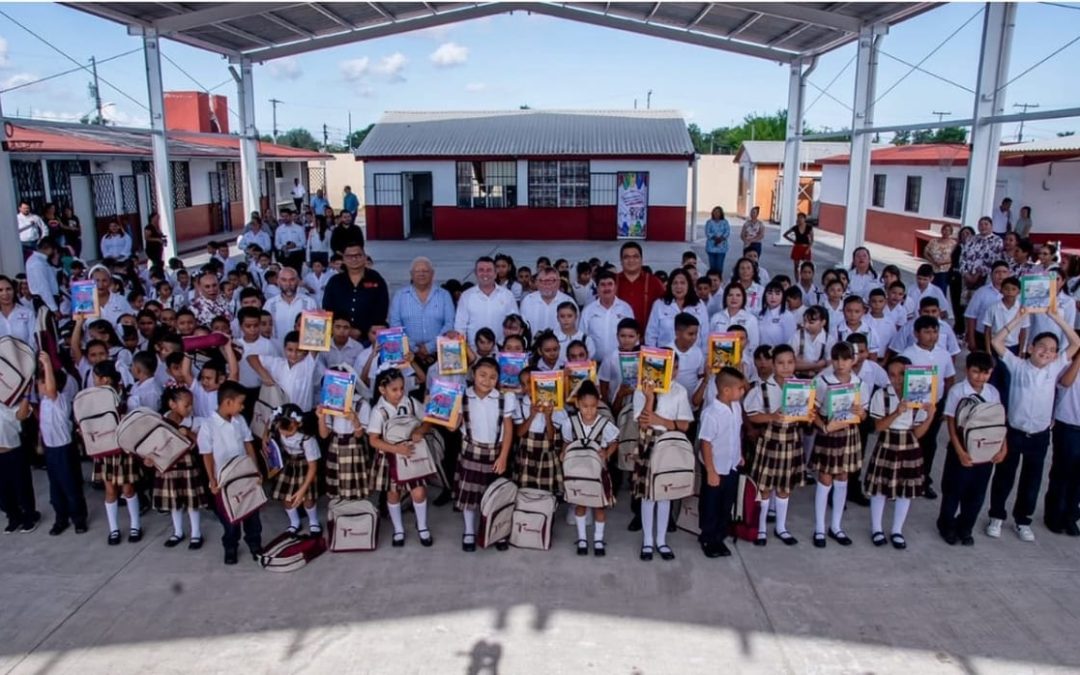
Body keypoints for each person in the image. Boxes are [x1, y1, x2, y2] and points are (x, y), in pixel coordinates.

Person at [986, 307, 1079, 542]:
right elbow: (997, 341)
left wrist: (1055, 316)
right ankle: (996, 516)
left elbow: (1076, 342)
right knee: (1004, 475)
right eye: (1042, 348)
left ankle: (1022, 520)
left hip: (1038, 436)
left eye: (1052, 350)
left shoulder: (1055, 367)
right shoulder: (1017, 365)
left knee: (1032, 479)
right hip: (1014, 432)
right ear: (1029, 348)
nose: (1046, 353)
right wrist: (1021, 316)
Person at [865, 356, 936, 549]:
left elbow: (918, 432)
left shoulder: (920, 396)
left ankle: (897, 529)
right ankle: (877, 528)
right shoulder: (882, 395)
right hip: (888, 442)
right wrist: (897, 412)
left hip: (909, 444)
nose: (897, 379)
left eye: (902, 374)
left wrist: (930, 416)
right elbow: (878, 427)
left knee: (905, 489)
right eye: (893, 375)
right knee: (880, 488)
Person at [937, 351, 1003, 546]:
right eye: (976, 372)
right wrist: (959, 451)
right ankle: (946, 526)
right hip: (962, 449)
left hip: (985, 451)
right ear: (967, 370)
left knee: (977, 494)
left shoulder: (992, 392)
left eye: (985, 373)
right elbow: (950, 421)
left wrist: (1002, 448)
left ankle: (965, 528)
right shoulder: (958, 390)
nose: (980, 377)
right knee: (953, 491)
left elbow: (999, 422)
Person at [453, 357, 514, 552]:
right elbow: (454, 426)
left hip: (495, 452)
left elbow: (508, 429)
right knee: (470, 496)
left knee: (496, 495)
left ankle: (497, 531)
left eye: (492, 377)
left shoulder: (504, 398)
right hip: (471, 451)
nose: (486, 381)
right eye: (482, 375)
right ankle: (469, 531)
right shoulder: (463, 397)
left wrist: (503, 456)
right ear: (473, 375)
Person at [744, 345, 803, 547]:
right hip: (770, 441)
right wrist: (771, 416)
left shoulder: (801, 387)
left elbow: (806, 416)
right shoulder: (762, 388)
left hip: (791, 441)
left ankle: (781, 527)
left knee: (785, 487)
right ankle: (761, 528)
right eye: (780, 363)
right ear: (773, 364)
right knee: (765, 487)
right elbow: (752, 414)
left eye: (790, 362)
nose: (786, 367)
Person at [199, 381, 263, 565]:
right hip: (224, 480)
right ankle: (230, 546)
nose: (242, 407)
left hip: (244, 475)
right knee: (230, 519)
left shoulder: (239, 421)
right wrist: (212, 479)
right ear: (228, 402)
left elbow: (248, 444)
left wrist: (256, 470)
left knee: (252, 514)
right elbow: (207, 455)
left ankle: (254, 544)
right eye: (240, 403)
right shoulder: (208, 425)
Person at [633, 370, 694, 562]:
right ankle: (648, 541)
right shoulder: (640, 389)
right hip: (648, 441)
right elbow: (643, 423)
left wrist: (661, 421)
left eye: (673, 367)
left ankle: (661, 540)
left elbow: (684, 425)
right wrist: (649, 397)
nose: (669, 372)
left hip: (669, 441)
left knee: (665, 492)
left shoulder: (679, 391)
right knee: (648, 494)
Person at [810, 342, 866, 548]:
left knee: (843, 477)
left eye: (845, 359)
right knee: (825, 478)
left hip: (849, 432)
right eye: (836, 359)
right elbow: (811, 411)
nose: (841, 363)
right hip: (829, 431)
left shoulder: (859, 382)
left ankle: (836, 526)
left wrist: (861, 413)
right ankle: (819, 528)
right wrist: (823, 427)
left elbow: (863, 413)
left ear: (853, 360)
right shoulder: (823, 380)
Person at [899, 316, 955, 500]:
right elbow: (900, 382)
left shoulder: (944, 354)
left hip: (934, 405)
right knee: (908, 442)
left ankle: (924, 479)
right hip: (912, 407)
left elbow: (949, 379)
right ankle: (903, 480)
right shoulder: (908, 354)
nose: (932, 336)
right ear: (916, 334)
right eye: (927, 332)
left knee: (930, 443)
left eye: (935, 331)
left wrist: (946, 402)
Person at [561, 380, 619, 556]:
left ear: (598, 404)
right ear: (578, 403)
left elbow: (614, 442)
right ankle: (582, 539)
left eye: (593, 406)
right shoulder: (570, 423)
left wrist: (607, 453)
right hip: (577, 472)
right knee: (581, 505)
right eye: (585, 406)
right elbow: (566, 443)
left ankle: (598, 540)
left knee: (599, 507)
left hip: (597, 472)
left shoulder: (604, 423)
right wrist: (563, 454)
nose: (589, 410)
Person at [697, 367, 746, 558]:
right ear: (726, 390)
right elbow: (706, 443)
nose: (742, 392)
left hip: (731, 465)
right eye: (740, 389)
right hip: (715, 467)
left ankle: (719, 537)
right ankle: (708, 538)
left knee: (726, 504)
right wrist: (711, 471)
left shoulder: (736, 407)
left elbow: (737, 432)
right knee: (711, 504)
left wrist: (739, 454)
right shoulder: (711, 413)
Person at [154, 386, 208, 549]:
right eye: (187, 405)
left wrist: (189, 433)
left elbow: (202, 442)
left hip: (187, 465)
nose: (190, 408)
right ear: (172, 404)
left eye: (191, 404)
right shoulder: (160, 421)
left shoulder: (194, 422)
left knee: (192, 501)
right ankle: (177, 531)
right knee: (174, 500)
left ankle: (196, 533)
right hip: (169, 465)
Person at [266, 403, 322, 536]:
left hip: (305, 467)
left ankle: (314, 521)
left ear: (299, 424)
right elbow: (268, 427)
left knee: (308, 497)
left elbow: (313, 467)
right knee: (286, 496)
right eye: (282, 431)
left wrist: (302, 489)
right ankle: (294, 522)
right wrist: (264, 439)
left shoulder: (307, 439)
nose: (285, 434)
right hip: (287, 465)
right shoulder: (277, 426)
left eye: (289, 431)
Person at [322, 241, 390, 341]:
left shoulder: (376, 279)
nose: (354, 259)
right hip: (339, 338)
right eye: (349, 256)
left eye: (358, 255)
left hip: (369, 338)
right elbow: (327, 308)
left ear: (365, 257)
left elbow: (382, 309)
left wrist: (362, 330)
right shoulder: (335, 281)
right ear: (343, 259)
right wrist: (345, 330)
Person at [513, 367, 565, 495]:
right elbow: (519, 433)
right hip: (526, 454)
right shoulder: (521, 404)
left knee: (545, 490)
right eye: (523, 384)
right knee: (525, 489)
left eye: (530, 382)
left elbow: (552, 437)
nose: (527, 388)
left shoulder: (555, 405)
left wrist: (548, 417)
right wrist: (532, 415)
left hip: (546, 454)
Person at [1045, 352, 1080, 536]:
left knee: (1078, 479)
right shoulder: (1067, 363)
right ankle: (1054, 515)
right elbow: (1065, 382)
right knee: (1062, 473)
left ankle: (1071, 517)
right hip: (1068, 424)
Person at [453, 257, 518, 348]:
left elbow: (514, 325)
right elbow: (460, 326)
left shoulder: (507, 295)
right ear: (476, 274)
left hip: (501, 349)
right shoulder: (466, 296)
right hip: (474, 351)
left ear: (495, 274)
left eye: (489, 270)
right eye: (481, 270)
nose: (485, 273)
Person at [645, 269, 709, 350]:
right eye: (675, 283)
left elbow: (705, 334)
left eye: (682, 283)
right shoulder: (659, 304)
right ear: (670, 285)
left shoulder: (699, 304)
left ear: (689, 285)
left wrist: (704, 357)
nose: (679, 286)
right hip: (666, 357)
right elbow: (651, 334)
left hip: (693, 356)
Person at [581, 271, 635, 361]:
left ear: (615, 287)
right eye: (602, 285)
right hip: (595, 364)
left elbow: (633, 337)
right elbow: (582, 338)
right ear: (597, 288)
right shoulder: (588, 311)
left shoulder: (625, 309)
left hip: (620, 362)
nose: (607, 288)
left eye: (610, 284)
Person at [616, 242, 666, 325]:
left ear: (642, 260)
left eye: (635, 257)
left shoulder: (654, 282)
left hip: (646, 336)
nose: (631, 260)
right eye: (626, 257)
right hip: (617, 336)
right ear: (621, 261)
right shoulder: (612, 282)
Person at [520, 267, 574, 335]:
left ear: (559, 282)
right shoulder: (527, 301)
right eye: (542, 281)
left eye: (552, 281)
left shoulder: (569, 302)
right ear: (536, 282)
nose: (547, 284)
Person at [959, 216, 1004, 291]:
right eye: (980, 224)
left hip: (986, 277)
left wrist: (978, 274)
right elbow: (963, 257)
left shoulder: (997, 240)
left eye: (986, 224)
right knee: (967, 301)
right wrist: (966, 274)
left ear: (991, 226)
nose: (983, 226)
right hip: (967, 277)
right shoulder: (971, 239)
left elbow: (995, 260)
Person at [26, 237, 60, 313]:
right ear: (50, 248)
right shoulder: (38, 263)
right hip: (44, 301)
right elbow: (43, 287)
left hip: (47, 299)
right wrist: (54, 308)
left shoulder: (41, 261)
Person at [923, 224, 957, 295]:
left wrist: (942, 262)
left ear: (951, 232)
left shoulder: (953, 244)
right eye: (944, 230)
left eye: (948, 230)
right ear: (941, 230)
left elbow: (955, 257)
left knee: (941, 291)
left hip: (945, 271)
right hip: (932, 269)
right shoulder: (933, 241)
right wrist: (933, 261)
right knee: (930, 289)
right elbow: (926, 252)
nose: (946, 232)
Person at [783, 212, 814, 279]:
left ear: (804, 219)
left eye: (801, 218)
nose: (799, 219)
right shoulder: (795, 228)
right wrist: (793, 241)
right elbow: (785, 234)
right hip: (797, 247)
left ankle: (807, 278)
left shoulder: (809, 227)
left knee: (807, 266)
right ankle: (797, 281)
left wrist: (808, 249)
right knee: (796, 266)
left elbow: (812, 240)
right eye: (798, 218)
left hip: (806, 248)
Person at [704, 206, 731, 275]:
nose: (716, 213)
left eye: (718, 212)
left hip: (722, 248)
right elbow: (707, 232)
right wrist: (715, 238)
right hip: (711, 247)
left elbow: (727, 232)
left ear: (721, 213)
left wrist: (721, 239)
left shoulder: (725, 222)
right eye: (715, 212)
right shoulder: (709, 222)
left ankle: (719, 280)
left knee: (719, 266)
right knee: (712, 266)